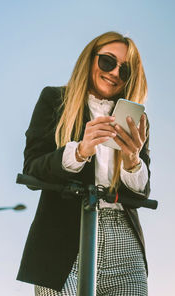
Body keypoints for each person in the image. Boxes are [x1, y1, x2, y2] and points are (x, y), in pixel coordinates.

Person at [17, 32, 151, 296]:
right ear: (90, 59)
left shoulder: (134, 120)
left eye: (124, 70)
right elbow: (32, 167)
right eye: (107, 62)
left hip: (123, 242)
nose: (114, 73)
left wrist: (132, 161)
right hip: (62, 238)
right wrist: (79, 151)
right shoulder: (55, 100)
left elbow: (141, 193)